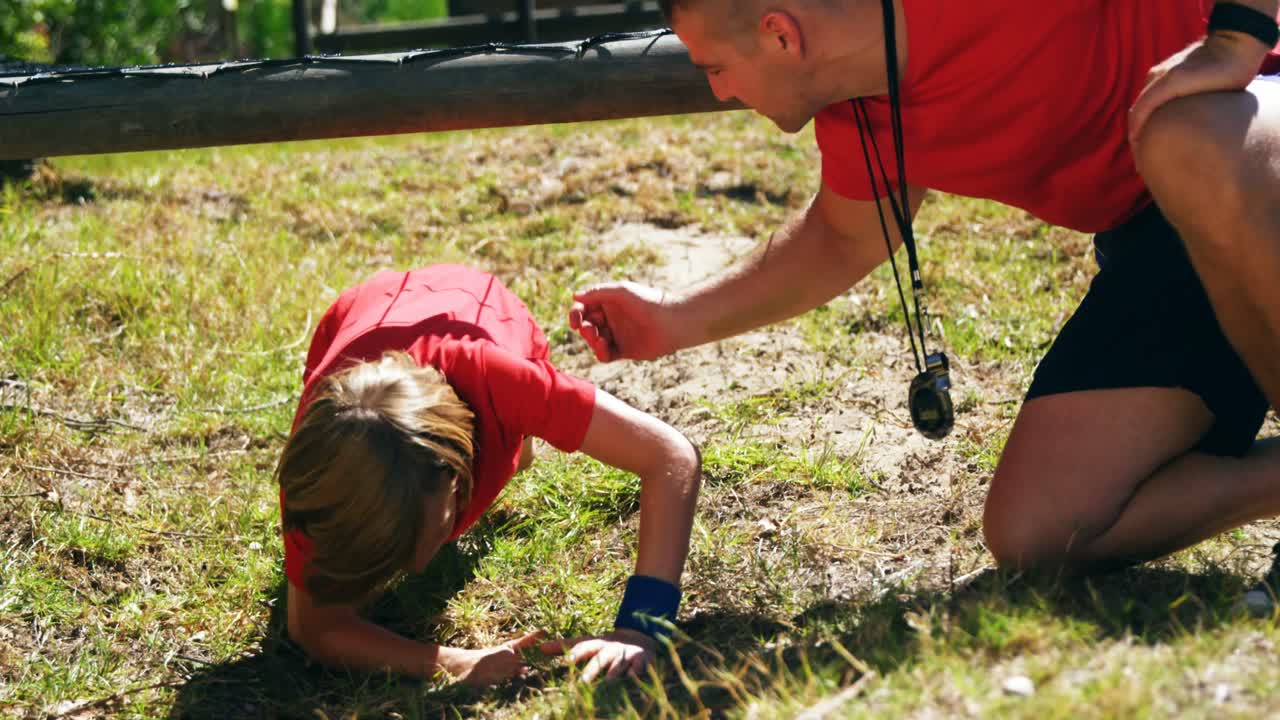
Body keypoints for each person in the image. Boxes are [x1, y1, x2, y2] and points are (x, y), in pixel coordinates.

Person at [570, 0, 1280, 588]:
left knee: (1182, 134)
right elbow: (843, 239)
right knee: (1039, 530)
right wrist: (670, 319)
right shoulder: (860, 110)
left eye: (715, 67)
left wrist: (1239, 36)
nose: (717, 90)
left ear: (781, 33)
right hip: (1158, 241)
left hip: (1252, 135)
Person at [276, 264, 700, 685]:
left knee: (524, 456)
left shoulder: (502, 379)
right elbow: (316, 628)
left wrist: (641, 627)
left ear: (461, 469)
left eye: (430, 534)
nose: (419, 565)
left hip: (483, 305)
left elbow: (670, 455)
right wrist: (451, 661)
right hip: (361, 313)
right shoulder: (324, 469)